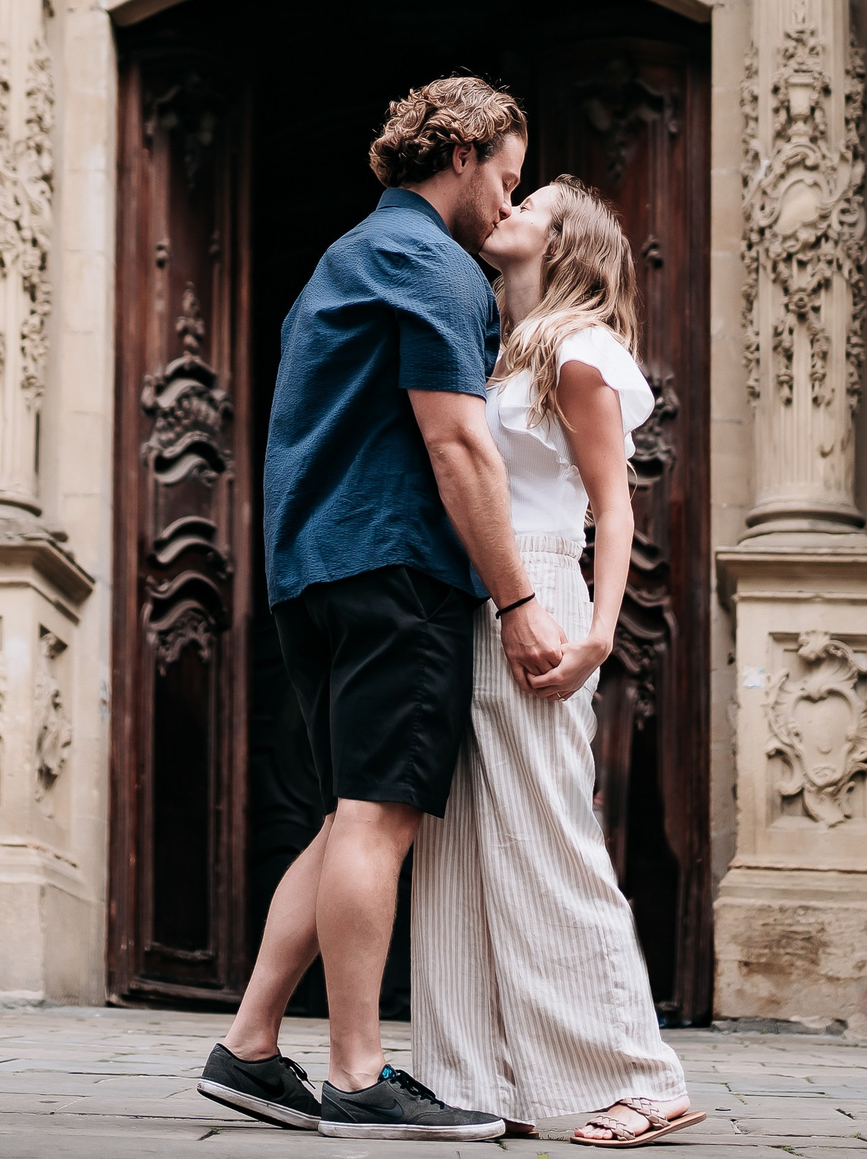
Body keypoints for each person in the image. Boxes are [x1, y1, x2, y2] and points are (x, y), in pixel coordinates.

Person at [198, 75, 564, 1142]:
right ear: (463, 157)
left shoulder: (347, 256)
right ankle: (359, 1073)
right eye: (505, 179)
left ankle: (252, 1047)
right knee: (375, 816)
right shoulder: (431, 265)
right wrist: (520, 600)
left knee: (348, 812)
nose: (507, 204)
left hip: (313, 572)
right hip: (395, 568)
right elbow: (458, 446)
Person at [409, 179, 707, 1149]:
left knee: (547, 837)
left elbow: (611, 507)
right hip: (477, 589)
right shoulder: (506, 348)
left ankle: (640, 1076)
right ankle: (469, 1077)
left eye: (528, 201)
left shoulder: (579, 353)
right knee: (456, 840)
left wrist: (599, 633)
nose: (504, 205)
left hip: (537, 581)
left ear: (565, 238)